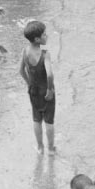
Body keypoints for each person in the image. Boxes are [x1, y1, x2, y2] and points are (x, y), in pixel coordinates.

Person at [18, 19, 56, 152]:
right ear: (37, 39)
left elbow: (21, 71)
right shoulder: (45, 54)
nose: (47, 36)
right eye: (45, 34)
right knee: (49, 121)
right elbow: (50, 75)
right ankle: (51, 149)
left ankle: (40, 147)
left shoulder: (25, 51)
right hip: (46, 90)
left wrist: (29, 83)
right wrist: (50, 90)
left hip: (33, 90)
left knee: (37, 119)